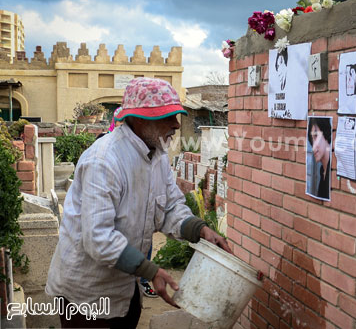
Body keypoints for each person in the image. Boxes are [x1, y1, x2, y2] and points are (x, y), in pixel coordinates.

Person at [46, 77, 231, 328]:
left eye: (176, 115)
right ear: (141, 119)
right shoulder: (104, 161)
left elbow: (169, 207)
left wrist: (200, 229)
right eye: (168, 117)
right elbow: (98, 237)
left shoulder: (158, 156)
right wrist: (150, 271)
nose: (176, 125)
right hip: (86, 295)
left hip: (125, 288)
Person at [307, 117, 332, 200]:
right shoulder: (322, 171)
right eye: (312, 139)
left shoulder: (332, 168)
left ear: (325, 132)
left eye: (316, 136)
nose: (313, 146)